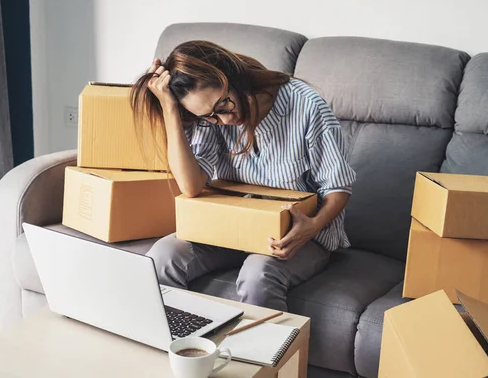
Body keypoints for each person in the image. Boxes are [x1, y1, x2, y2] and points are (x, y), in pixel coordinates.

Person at [131, 40, 356, 311]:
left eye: (224, 105)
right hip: (232, 227)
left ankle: (264, 354)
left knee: (257, 276)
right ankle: (184, 346)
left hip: (298, 234)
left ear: (231, 76)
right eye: (211, 117)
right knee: (162, 257)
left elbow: (338, 187)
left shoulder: (306, 104)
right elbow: (190, 186)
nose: (225, 120)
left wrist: (312, 226)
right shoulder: (210, 117)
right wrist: (169, 109)